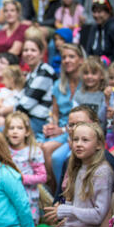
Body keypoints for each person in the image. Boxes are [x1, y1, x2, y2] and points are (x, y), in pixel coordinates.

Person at [13, 122, 114, 227]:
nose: (78, 144)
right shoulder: (78, 166)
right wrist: (66, 218)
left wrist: (65, 211)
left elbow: (98, 215)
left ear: (98, 145)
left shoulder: (102, 172)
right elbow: (75, 202)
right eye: (75, 139)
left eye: (85, 140)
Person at [41, 43, 84, 192]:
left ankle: (54, 189)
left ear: (81, 60)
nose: (67, 60)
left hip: (76, 128)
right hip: (60, 128)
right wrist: (51, 126)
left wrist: (62, 129)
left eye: (71, 56)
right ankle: (51, 189)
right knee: (37, 146)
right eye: (64, 57)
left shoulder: (87, 83)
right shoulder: (59, 84)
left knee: (47, 148)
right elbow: (55, 113)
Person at [4, 112, 47, 225]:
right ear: (6, 132)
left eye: (19, 128)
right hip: (9, 195)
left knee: (28, 224)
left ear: (27, 132)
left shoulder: (33, 151)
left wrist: (22, 178)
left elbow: (42, 177)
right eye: (11, 128)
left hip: (28, 196)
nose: (15, 131)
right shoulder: (4, 151)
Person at [16, 37, 57, 142]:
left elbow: (25, 105)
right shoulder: (32, 73)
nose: (28, 53)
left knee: (2, 131)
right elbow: (20, 97)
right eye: (26, 50)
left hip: (40, 121)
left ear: (41, 53)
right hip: (29, 118)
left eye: (33, 50)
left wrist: (5, 113)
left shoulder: (45, 72)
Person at [73, 56, 108, 127]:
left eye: (93, 73)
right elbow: (74, 116)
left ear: (102, 75)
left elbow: (103, 118)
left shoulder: (105, 95)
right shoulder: (78, 94)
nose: (89, 76)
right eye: (86, 73)